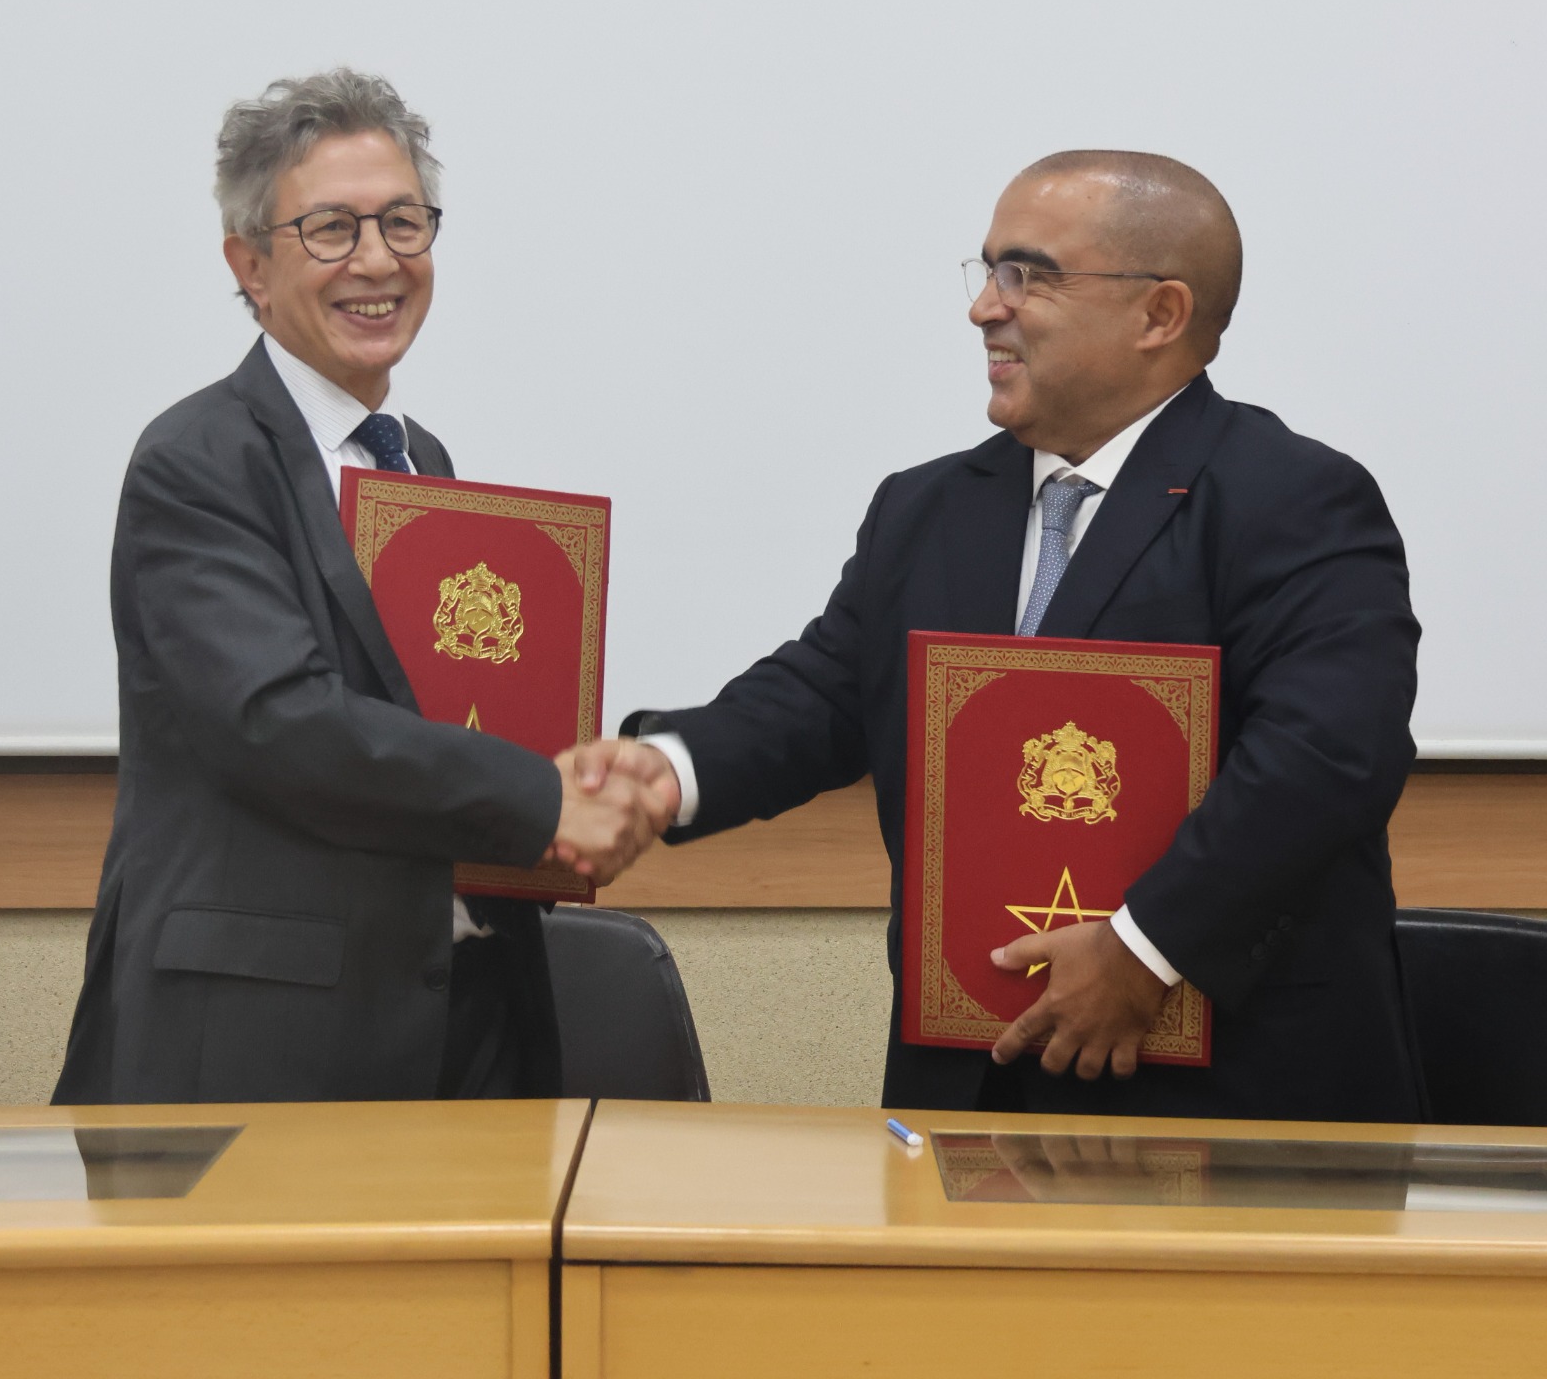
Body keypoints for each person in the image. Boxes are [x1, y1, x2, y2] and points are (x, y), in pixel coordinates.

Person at [566, 151, 1424, 1122]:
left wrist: (1144, 947)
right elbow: (823, 693)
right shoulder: (927, 508)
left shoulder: (1292, 497)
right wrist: (663, 771)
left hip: (1234, 1103)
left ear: (1160, 314)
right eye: (988, 273)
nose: (985, 309)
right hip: (970, 1092)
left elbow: (1326, 756)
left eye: (1029, 276)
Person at [55, 69, 674, 1105]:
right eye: (332, 229)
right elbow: (279, 720)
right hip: (264, 1041)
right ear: (249, 264)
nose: (378, 259)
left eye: (403, 222)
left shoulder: (419, 462)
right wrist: (541, 799)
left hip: (455, 1017)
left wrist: (568, 805)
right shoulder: (198, 459)